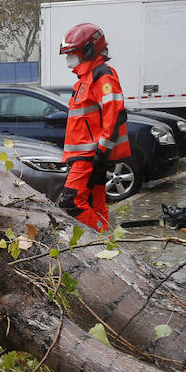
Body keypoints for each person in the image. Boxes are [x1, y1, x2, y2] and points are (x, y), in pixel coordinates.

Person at [57, 23, 129, 232]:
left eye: (72, 53)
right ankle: (107, 244)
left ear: (89, 50)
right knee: (95, 204)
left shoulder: (101, 76)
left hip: (89, 155)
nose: (69, 59)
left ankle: (101, 238)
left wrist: (102, 151)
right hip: (84, 155)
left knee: (71, 203)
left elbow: (114, 113)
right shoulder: (84, 80)